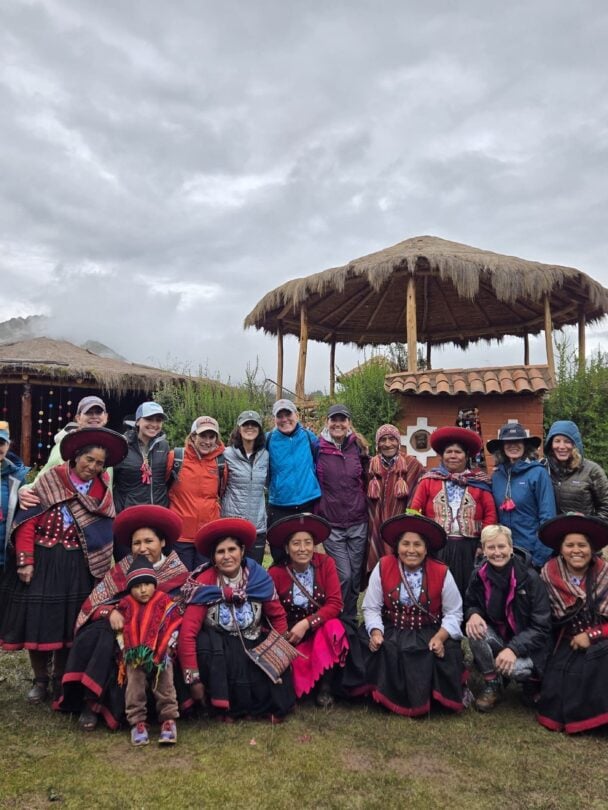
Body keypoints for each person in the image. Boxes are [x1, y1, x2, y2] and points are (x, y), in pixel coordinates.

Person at [0, 427, 127, 702]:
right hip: (43, 560)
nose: (92, 467)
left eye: (99, 463)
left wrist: (102, 567)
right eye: (88, 460)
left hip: (78, 566)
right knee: (38, 621)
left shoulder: (102, 491)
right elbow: (28, 520)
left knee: (71, 625)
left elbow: (104, 532)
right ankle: (40, 680)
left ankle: (61, 678)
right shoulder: (50, 480)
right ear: (76, 456)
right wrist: (25, 561)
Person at [59, 504, 188, 731]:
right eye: (137, 543)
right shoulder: (122, 569)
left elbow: (181, 611)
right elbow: (94, 604)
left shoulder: (177, 572)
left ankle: (167, 710)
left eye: (149, 541)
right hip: (122, 633)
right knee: (96, 635)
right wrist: (112, 612)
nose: (142, 548)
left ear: (163, 542)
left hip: (162, 636)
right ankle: (91, 702)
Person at [178, 517, 295, 722]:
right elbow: (188, 632)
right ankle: (220, 706)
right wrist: (192, 678)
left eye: (232, 550)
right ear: (213, 558)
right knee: (207, 646)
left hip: (252, 639)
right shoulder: (204, 583)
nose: (227, 556)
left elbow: (278, 617)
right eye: (220, 552)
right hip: (220, 646)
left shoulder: (259, 579)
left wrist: (278, 652)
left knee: (263, 662)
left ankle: (256, 706)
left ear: (242, 552)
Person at [360, 513, 465, 716]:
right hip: (392, 628)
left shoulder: (442, 572)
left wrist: (440, 637)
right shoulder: (383, 566)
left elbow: (454, 613)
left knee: (429, 652)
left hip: (427, 631)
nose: (411, 550)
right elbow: (371, 608)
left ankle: (426, 695)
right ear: (397, 547)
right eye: (405, 544)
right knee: (380, 647)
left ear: (426, 549)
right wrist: (375, 631)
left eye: (417, 545)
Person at [465, 524, 552, 712]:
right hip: (501, 637)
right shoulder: (479, 575)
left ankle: (531, 681)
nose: (497, 552)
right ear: (484, 550)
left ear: (511, 548)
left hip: (531, 646)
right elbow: (472, 602)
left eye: (502, 546)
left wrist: (514, 649)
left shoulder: (530, 578)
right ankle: (492, 682)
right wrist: (473, 614)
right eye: (491, 547)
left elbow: (541, 627)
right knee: (474, 631)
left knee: (514, 670)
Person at [267, 513, 349, 707]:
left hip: (318, 627)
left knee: (334, 628)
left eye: (308, 543)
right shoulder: (275, 573)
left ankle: (326, 687)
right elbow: (271, 610)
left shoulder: (326, 564)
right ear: (287, 548)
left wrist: (306, 624)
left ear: (314, 545)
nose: (303, 549)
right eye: (296, 543)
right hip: (290, 633)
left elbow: (335, 604)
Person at [536, 514, 608, 734]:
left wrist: (592, 635)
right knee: (564, 679)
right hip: (565, 641)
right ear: (561, 548)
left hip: (603, 639)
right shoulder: (549, 574)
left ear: (591, 548)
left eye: (582, 545)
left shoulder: (605, 574)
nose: (576, 550)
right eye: (570, 545)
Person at [410, 426, 497, 597]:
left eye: (458, 452)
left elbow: (490, 515)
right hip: (437, 546)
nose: (453, 456)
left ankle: (467, 621)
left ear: (466, 456)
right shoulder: (428, 480)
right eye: (449, 452)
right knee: (437, 589)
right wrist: (420, 540)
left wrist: (483, 544)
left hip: (470, 547)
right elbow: (415, 510)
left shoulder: (479, 483)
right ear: (442, 456)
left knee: (468, 589)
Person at [117, 556, 182, 746]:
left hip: (162, 654)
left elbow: (174, 624)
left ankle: (169, 720)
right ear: (130, 588)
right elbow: (121, 630)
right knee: (134, 684)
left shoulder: (164, 601)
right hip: (134, 656)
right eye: (137, 586)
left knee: (165, 682)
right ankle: (137, 722)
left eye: (147, 584)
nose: (143, 590)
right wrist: (126, 650)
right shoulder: (126, 604)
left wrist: (168, 647)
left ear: (154, 584)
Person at [314, 403, 369, 623]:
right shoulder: (317, 447)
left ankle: (350, 618)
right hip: (332, 523)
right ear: (327, 422)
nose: (338, 424)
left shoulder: (358, 448)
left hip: (358, 521)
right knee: (343, 575)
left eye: (342, 420)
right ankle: (337, 614)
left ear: (348, 423)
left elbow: (367, 478)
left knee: (355, 576)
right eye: (333, 420)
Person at [18, 395, 111, 509]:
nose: (94, 416)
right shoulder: (63, 447)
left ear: (106, 417)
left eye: (98, 412)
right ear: (78, 418)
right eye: (88, 413)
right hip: (66, 513)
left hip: (99, 513)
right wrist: (25, 490)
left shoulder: (111, 449)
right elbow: (43, 478)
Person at [487, 422, 556, 568]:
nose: (513, 445)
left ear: (525, 445)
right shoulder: (497, 476)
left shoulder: (538, 473)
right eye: (508, 442)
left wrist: (538, 558)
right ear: (502, 447)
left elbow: (548, 517)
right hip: (503, 554)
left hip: (531, 553)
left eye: (518, 441)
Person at [168, 416, 228, 570]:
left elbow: (222, 491)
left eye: (211, 436)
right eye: (203, 436)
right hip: (180, 535)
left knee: (203, 582)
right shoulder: (176, 458)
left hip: (207, 534)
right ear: (193, 436)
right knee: (180, 583)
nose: (207, 441)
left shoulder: (221, 463)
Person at [366, 423, 423, 577]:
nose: (388, 444)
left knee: (400, 566)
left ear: (398, 442)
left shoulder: (412, 464)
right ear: (377, 444)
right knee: (379, 571)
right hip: (375, 526)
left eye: (392, 439)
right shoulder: (370, 466)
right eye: (383, 440)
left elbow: (419, 495)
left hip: (401, 524)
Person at [266, 399, 321, 534]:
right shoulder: (268, 439)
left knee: (306, 548)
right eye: (280, 416)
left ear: (296, 415)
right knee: (279, 549)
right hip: (280, 504)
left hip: (308, 501)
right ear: (275, 419)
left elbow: (320, 462)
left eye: (288, 414)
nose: (285, 419)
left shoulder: (309, 437)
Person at [221, 410, 269, 564]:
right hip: (232, 524)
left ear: (260, 429)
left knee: (253, 572)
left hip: (257, 526)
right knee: (230, 571)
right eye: (245, 424)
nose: (250, 427)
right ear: (239, 428)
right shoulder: (226, 454)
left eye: (254, 424)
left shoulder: (266, 456)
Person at [113, 401, 171, 515]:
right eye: (149, 419)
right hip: (129, 515)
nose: (154, 424)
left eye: (158, 420)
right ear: (138, 421)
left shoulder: (164, 446)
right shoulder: (121, 446)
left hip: (158, 513)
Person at [543, 420, 608, 521]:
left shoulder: (592, 470)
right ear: (550, 444)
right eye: (557, 441)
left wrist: (591, 527)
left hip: (582, 533)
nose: (561, 446)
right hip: (552, 533)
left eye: (567, 441)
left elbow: (605, 506)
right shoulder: (543, 468)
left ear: (575, 444)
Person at [0, 421, 28, 571]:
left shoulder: (18, 477)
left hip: (6, 561)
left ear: (8, 445)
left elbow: (24, 516)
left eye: (1, 442)